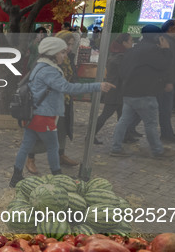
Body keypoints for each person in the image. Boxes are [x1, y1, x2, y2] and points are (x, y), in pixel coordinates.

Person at [10, 37, 114, 187]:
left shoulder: (39, 66)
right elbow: (68, 88)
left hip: (33, 114)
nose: (64, 56)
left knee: (26, 146)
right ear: (52, 53)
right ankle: (57, 177)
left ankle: (16, 177)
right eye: (62, 52)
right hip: (44, 116)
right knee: (53, 146)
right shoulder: (49, 71)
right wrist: (97, 86)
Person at [110, 25, 175, 158]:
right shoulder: (153, 50)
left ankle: (116, 148)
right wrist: (167, 50)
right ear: (157, 36)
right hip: (145, 93)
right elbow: (164, 65)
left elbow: (122, 71)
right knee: (150, 123)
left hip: (128, 92)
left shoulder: (133, 50)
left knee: (123, 121)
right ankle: (158, 151)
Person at [25, 30, 79, 174]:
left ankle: (60, 155)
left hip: (64, 99)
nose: (69, 48)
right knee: (39, 132)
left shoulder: (69, 58)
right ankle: (30, 158)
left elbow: (72, 78)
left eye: (72, 44)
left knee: (61, 129)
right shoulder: (46, 60)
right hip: (46, 103)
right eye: (67, 44)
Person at [93, 33, 134, 144]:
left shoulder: (116, 54)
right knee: (107, 114)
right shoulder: (120, 57)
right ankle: (91, 135)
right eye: (130, 41)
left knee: (122, 115)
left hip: (116, 89)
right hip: (116, 90)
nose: (132, 43)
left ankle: (126, 135)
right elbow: (123, 74)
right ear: (124, 43)